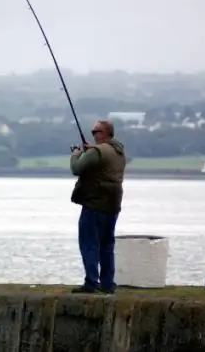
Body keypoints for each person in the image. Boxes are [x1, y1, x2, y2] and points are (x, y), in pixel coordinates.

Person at [69, 120, 127, 294]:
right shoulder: (118, 151)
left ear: (106, 133)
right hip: (113, 205)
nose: (94, 135)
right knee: (107, 246)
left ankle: (91, 283)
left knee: (89, 244)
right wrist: (90, 152)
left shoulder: (98, 151)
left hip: (95, 204)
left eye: (97, 132)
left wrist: (76, 154)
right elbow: (102, 164)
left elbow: (76, 168)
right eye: (92, 132)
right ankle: (108, 284)